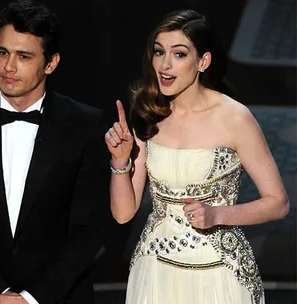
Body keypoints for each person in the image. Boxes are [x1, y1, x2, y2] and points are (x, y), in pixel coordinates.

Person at [0, 0, 110, 303]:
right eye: (2, 53)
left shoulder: (84, 124)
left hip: (56, 297)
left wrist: (31, 297)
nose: (8, 67)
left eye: (23, 56)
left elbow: (88, 229)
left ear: (50, 63)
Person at [105, 9, 289, 304]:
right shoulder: (147, 112)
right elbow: (124, 213)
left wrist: (217, 215)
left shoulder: (235, 118)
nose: (164, 65)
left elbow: (278, 203)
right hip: (156, 271)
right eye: (159, 52)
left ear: (202, 61)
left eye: (178, 54)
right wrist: (119, 162)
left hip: (219, 274)